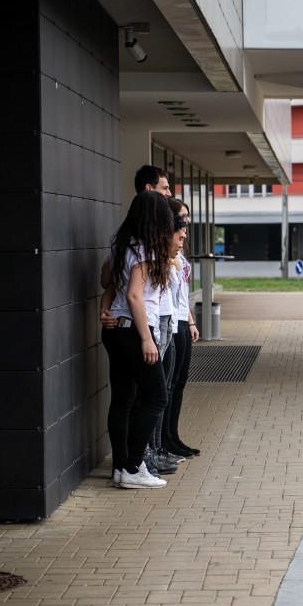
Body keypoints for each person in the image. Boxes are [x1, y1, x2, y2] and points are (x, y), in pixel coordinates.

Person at [99, 190, 173, 489]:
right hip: (134, 330)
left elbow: (106, 281)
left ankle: (120, 469)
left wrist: (104, 310)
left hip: (115, 330)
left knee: (122, 400)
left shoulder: (120, 244)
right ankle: (132, 467)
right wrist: (147, 339)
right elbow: (134, 295)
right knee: (157, 397)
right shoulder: (146, 249)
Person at [163, 200, 201, 458]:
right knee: (168, 384)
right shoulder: (165, 245)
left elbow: (182, 289)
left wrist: (190, 320)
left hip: (181, 319)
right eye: (183, 216)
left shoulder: (180, 247)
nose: (187, 221)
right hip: (170, 322)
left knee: (179, 383)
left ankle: (172, 437)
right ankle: (164, 441)